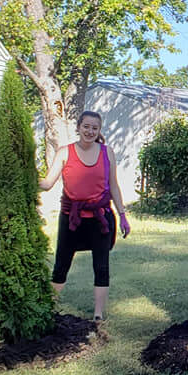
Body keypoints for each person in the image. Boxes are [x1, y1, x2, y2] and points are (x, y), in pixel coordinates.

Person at [39, 111, 130, 321]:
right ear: (78, 127)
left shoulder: (107, 152)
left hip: (100, 218)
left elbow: (113, 186)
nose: (90, 131)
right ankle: (48, 309)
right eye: (86, 126)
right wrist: (26, 176)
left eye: (94, 128)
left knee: (101, 266)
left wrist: (123, 215)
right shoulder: (64, 152)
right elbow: (47, 183)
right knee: (61, 264)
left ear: (99, 130)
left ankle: (98, 315)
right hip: (72, 218)